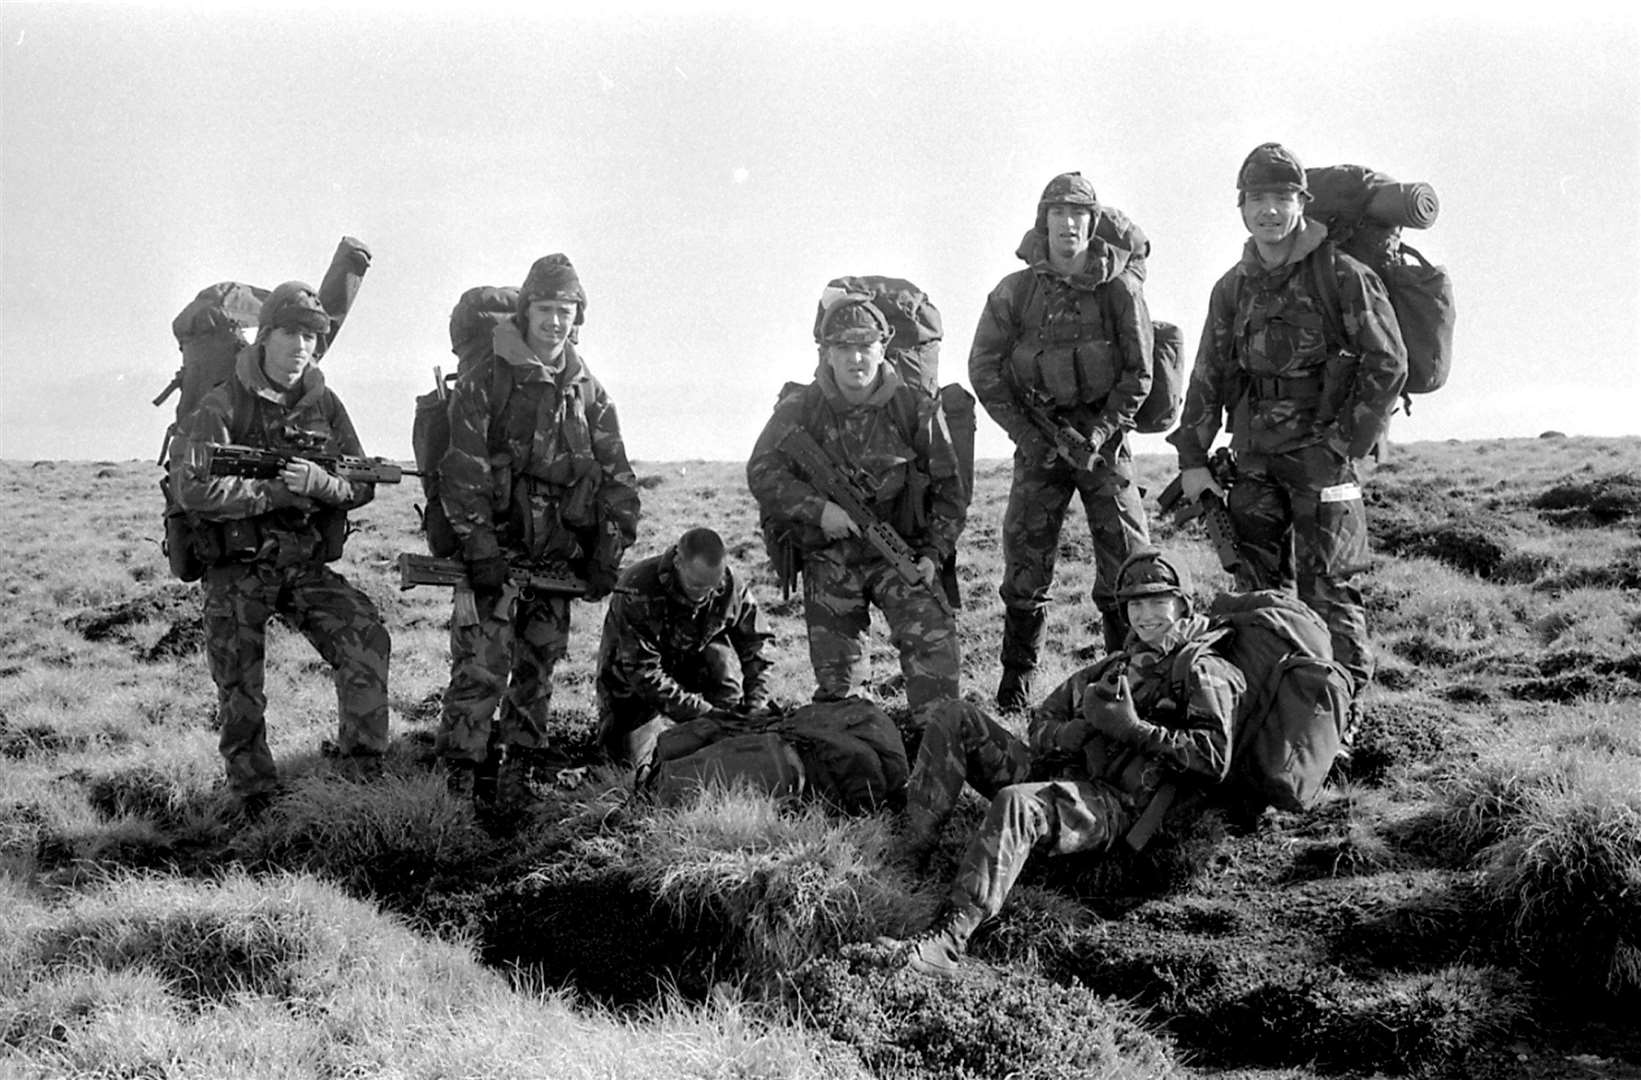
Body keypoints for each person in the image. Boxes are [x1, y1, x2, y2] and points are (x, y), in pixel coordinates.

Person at [884, 550, 1244, 977]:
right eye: (1134, 604)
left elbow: (1213, 759)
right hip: (1069, 778)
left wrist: (1133, 729)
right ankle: (910, 861)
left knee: (1018, 803)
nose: (1145, 615)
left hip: (1117, 806)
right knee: (954, 715)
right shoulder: (1116, 664)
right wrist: (1068, 734)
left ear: (1182, 603)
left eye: (1156, 602)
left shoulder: (1202, 671)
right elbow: (1042, 719)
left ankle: (949, 939)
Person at [1167, 143, 1406, 732]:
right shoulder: (1233, 287)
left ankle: (1342, 721)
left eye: (1281, 198)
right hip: (1253, 461)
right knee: (1257, 591)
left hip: (1322, 461)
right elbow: (1209, 374)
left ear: (1302, 203)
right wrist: (1194, 459)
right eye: (1257, 200)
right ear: (1242, 208)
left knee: (1328, 587)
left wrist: (1343, 445)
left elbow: (1388, 362)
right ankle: (1273, 716)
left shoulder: (1341, 275)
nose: (1269, 211)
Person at [168, 281, 391, 814]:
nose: (300, 348)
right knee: (240, 686)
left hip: (302, 564)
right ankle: (253, 797)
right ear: (265, 336)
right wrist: (272, 492)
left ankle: (360, 775)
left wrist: (321, 485)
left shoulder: (324, 403)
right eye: (290, 334)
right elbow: (192, 488)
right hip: (237, 568)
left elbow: (358, 482)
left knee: (366, 638)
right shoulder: (223, 401)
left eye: (311, 338)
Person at [435, 253, 641, 807]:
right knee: (482, 665)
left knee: (539, 664)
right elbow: (463, 470)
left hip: (556, 558)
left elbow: (618, 478)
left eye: (566, 311)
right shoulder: (486, 378)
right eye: (546, 309)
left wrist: (608, 553)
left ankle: (520, 773)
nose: (556, 321)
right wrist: (480, 552)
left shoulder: (588, 389)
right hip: (495, 553)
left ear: (579, 317)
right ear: (527, 311)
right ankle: (459, 778)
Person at [968, 171, 1156, 714]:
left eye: (1078, 214)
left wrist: (1098, 434)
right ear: (1043, 222)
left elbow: (1138, 374)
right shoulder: (1016, 292)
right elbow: (984, 366)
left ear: (1092, 223)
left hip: (1104, 448)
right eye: (1057, 214)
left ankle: (1132, 679)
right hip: (1039, 449)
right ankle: (1017, 683)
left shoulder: (1120, 289)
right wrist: (1027, 434)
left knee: (1126, 561)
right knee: (1024, 567)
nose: (1067, 224)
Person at [747, 294, 969, 718]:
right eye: (843, 349)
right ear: (826, 353)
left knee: (936, 660)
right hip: (832, 559)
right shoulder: (801, 408)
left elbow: (949, 493)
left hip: (898, 551)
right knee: (840, 694)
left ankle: (938, 740)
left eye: (864, 347)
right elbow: (762, 471)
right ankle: (858, 748)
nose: (855, 359)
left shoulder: (914, 407)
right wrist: (819, 510)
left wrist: (931, 556)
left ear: (882, 348)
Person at [596, 526, 775, 766]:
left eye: (712, 587)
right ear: (678, 563)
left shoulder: (729, 584)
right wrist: (702, 713)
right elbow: (642, 673)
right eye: (697, 586)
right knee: (627, 763)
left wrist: (756, 702)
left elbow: (758, 644)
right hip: (634, 679)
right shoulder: (637, 588)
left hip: (697, 662)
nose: (704, 595)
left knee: (733, 731)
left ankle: (725, 719)